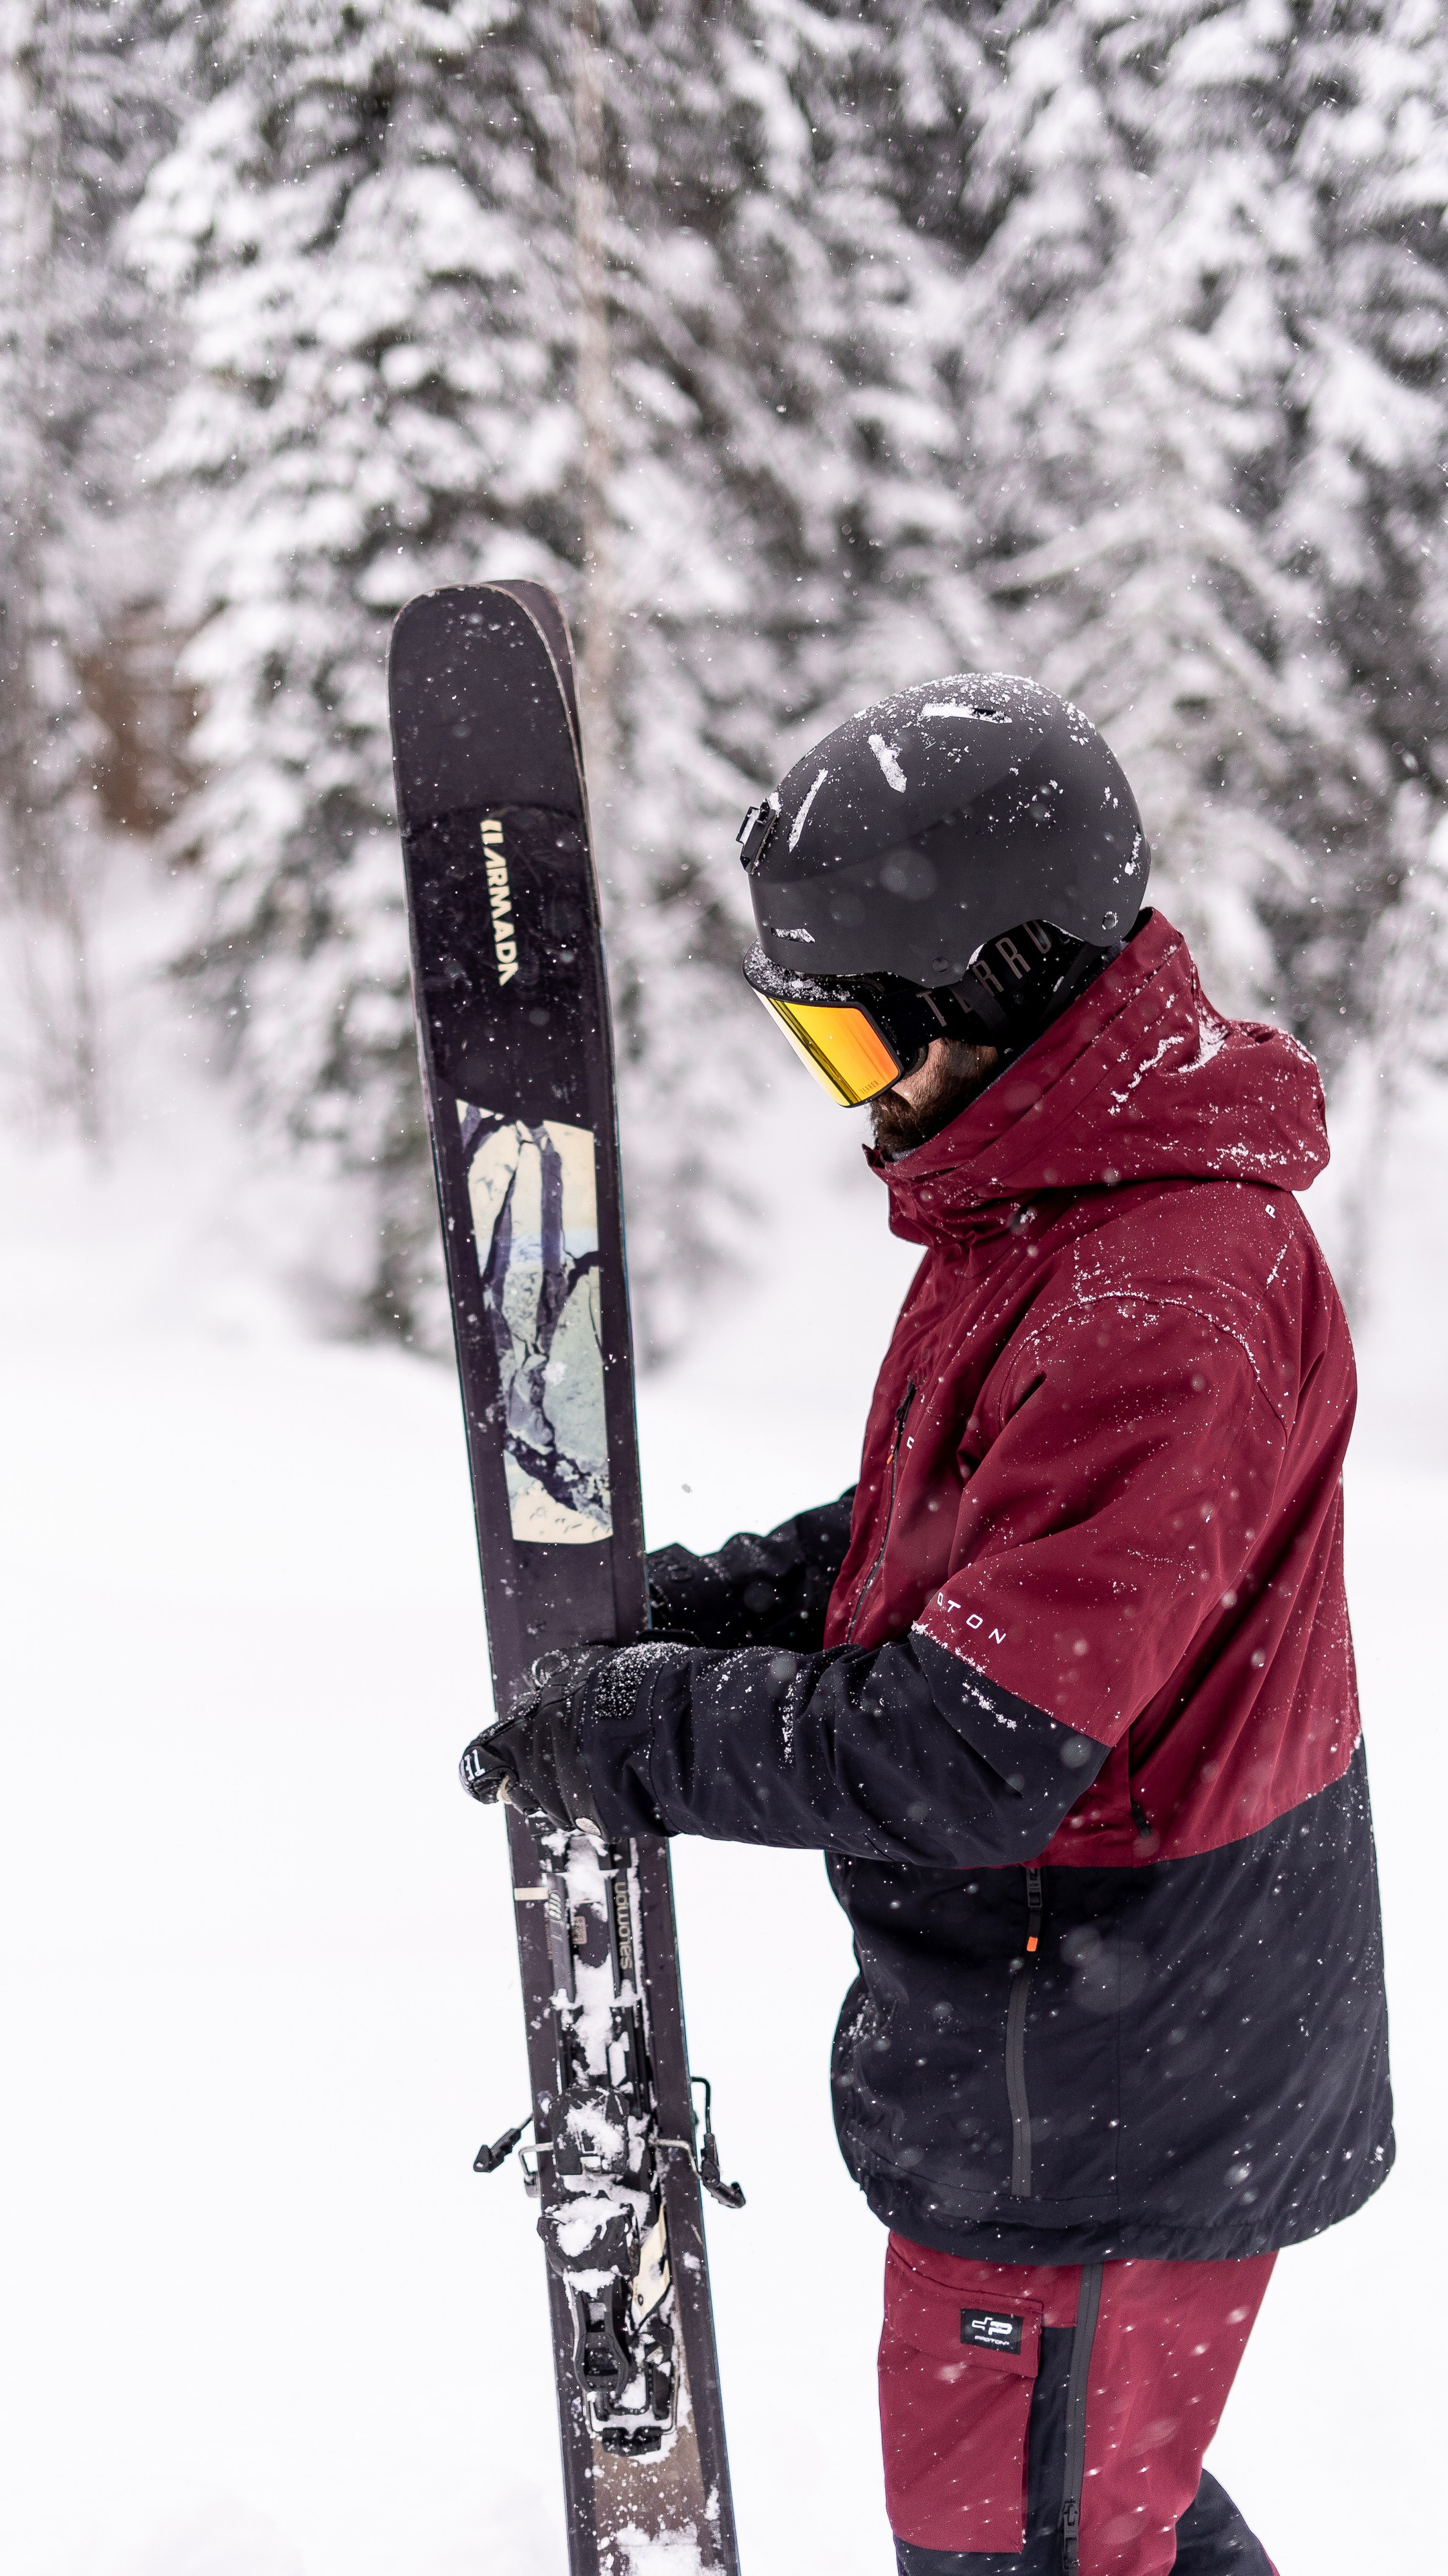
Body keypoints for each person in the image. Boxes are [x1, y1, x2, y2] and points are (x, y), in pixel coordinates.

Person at [461, 675, 1394, 2575]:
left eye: (862, 1037)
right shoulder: (1063, 1208)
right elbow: (985, 1536)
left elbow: (971, 1748)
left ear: (1006, 980)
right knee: (1091, 2514)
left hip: (1116, 2061)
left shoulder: (1159, 1290)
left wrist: (651, 1735)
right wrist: (743, 1607)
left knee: (1029, 2545)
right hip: (1093, 2045)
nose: (862, 1101)